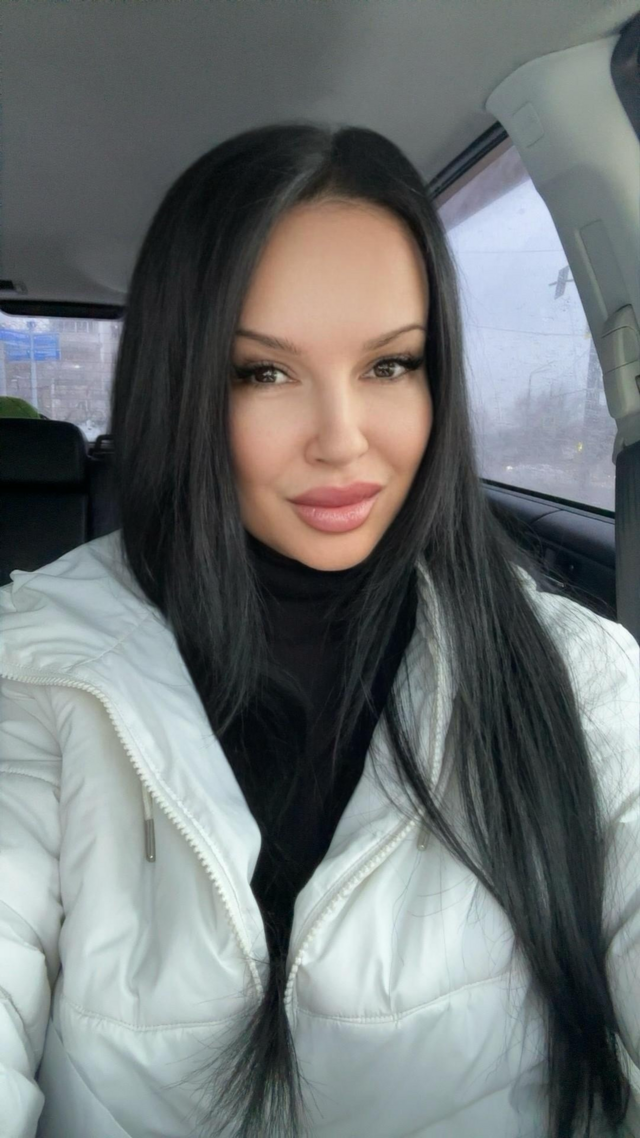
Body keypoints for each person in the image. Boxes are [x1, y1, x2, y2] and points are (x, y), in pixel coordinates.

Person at [0, 122, 638, 1138]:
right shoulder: (40, 668)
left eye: (391, 365)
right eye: (263, 373)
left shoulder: (580, 676)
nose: (343, 439)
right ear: (181, 388)